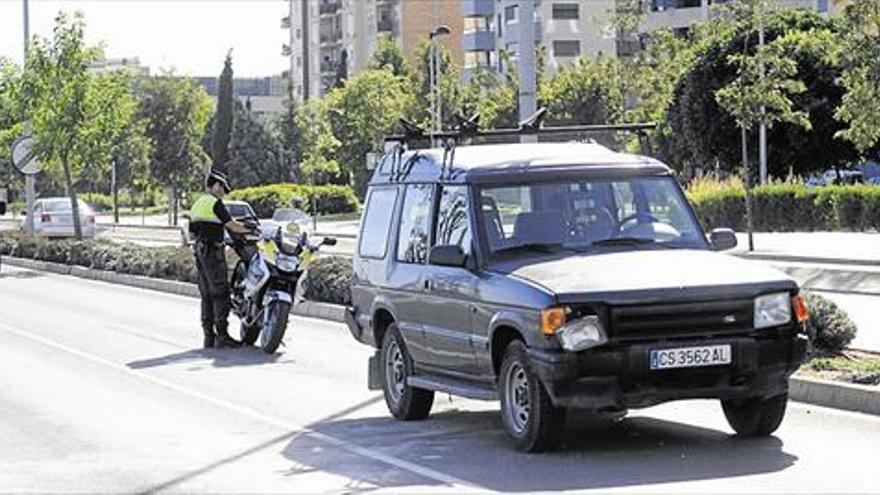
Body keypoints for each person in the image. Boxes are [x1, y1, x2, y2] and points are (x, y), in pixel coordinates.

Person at [189, 170, 253, 348]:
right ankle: (222, 336)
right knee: (221, 293)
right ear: (215, 185)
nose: (223, 192)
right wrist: (250, 230)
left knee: (206, 295)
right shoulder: (215, 204)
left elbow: (192, 232)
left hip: (200, 252)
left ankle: (209, 336)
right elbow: (232, 225)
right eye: (222, 188)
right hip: (213, 252)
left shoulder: (198, 203)